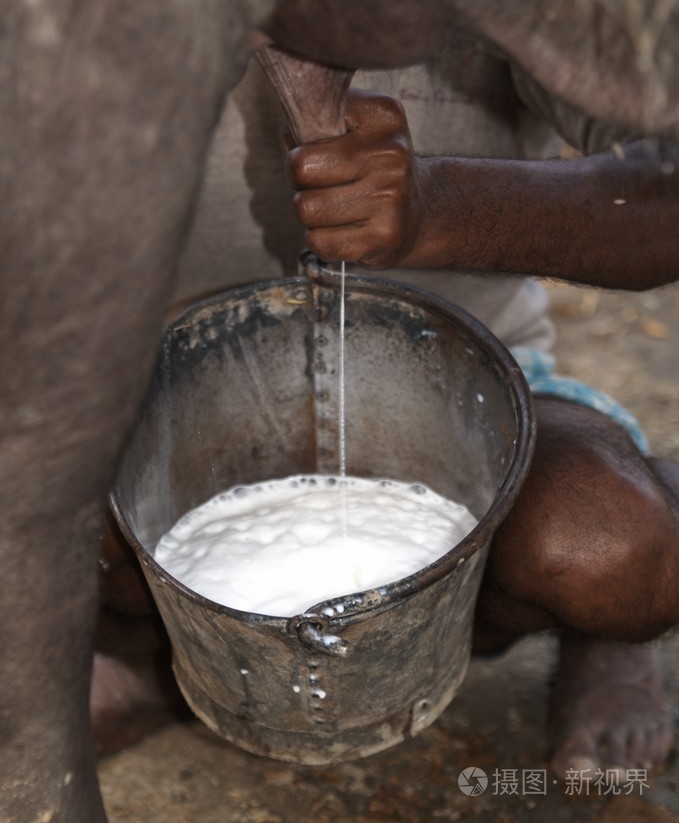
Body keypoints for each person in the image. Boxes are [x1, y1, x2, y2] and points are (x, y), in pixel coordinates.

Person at [94, 41, 679, 781]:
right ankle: (144, 652)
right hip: (166, 399)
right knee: (48, 522)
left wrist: (440, 205)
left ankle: (603, 638)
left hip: (476, 398)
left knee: (614, 547)